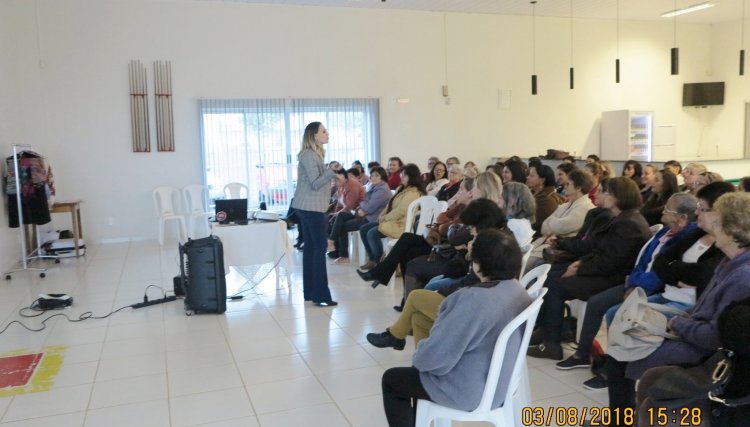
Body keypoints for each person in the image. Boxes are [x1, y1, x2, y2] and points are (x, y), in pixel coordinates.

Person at [605, 191, 750, 422]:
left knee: (618, 357)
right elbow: (700, 304)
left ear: (732, 229)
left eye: (716, 219)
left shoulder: (742, 275)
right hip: (693, 334)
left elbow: (716, 336)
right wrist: (679, 322)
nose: (710, 223)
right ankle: (624, 417)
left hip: (708, 353)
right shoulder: (729, 262)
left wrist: (678, 323)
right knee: (625, 340)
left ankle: (619, 420)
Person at [380, 228, 532, 427]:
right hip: (500, 384)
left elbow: (432, 360)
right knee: (419, 332)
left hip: (468, 391)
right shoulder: (517, 290)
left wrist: (421, 355)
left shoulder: (471, 299)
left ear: (478, 264)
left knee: (392, 380)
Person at [554, 193, 702, 377]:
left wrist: (634, 283)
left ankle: (617, 367)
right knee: (597, 303)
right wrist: (632, 280)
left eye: (668, 208)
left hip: (652, 288)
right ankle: (584, 354)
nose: (663, 210)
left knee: (617, 312)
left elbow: (661, 274)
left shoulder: (685, 238)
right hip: (636, 282)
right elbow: (643, 261)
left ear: (682, 218)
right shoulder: (665, 231)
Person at [527, 177, 652, 360]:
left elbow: (610, 262)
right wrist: (580, 263)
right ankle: (547, 332)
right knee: (552, 278)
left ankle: (552, 344)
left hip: (615, 278)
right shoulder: (622, 218)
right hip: (607, 271)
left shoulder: (628, 223)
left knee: (555, 287)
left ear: (618, 196)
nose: (599, 194)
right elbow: (598, 249)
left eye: (605, 192)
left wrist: (580, 269)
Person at [366, 199, 509, 349]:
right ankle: (419, 363)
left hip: (473, 310)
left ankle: (396, 336)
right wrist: (464, 253)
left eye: (471, 226)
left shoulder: (489, 247)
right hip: (471, 298)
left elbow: (473, 282)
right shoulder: (491, 240)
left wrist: (469, 256)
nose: (469, 230)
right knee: (418, 318)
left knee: (416, 296)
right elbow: (461, 274)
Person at [291, 122, 342, 306]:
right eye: (323, 131)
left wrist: (330, 171)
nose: (327, 133)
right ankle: (321, 295)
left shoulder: (314, 154)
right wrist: (332, 171)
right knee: (319, 249)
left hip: (311, 206)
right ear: (314, 135)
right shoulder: (309, 155)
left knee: (312, 249)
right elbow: (315, 183)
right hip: (310, 207)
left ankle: (311, 293)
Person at [358, 164, 424, 268]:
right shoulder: (401, 188)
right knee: (363, 229)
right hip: (391, 221)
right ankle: (372, 259)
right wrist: (381, 216)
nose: (401, 177)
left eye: (404, 175)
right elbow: (389, 205)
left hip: (401, 224)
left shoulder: (413, 192)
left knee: (372, 233)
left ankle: (380, 264)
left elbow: (400, 211)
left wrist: (384, 218)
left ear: (412, 177)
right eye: (401, 174)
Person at [327, 166, 390, 264]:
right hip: (361, 213)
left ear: (382, 177)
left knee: (341, 226)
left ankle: (342, 254)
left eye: (376, 175)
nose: (373, 178)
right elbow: (364, 201)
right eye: (372, 175)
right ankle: (331, 242)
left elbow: (369, 206)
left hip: (371, 218)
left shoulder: (382, 190)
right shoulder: (373, 186)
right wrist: (362, 208)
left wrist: (363, 208)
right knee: (341, 216)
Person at [526, 164, 564, 235]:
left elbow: (533, 224)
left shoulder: (547, 200)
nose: (527, 177)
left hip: (535, 236)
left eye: (532, 175)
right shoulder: (533, 193)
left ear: (542, 180)